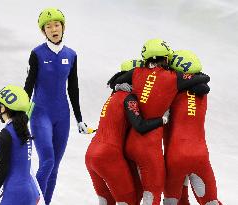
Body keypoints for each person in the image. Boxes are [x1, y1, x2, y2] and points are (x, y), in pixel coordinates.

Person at [109, 39, 210, 205]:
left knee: (132, 197)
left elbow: (115, 81)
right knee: (153, 196)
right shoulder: (171, 78)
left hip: (130, 144)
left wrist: (122, 86)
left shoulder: (137, 73)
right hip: (149, 147)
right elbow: (203, 82)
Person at [24, 8, 91, 204]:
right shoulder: (36, 53)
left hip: (62, 116)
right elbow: (28, 85)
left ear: (63, 27)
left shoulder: (71, 55)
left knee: (55, 167)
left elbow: (74, 88)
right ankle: (30, 201)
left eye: (57, 24)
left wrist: (79, 119)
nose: (54, 29)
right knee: (47, 161)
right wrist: (21, 114)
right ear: (43, 31)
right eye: (48, 26)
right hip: (40, 114)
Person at [85, 60, 170, 205]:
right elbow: (140, 125)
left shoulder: (113, 95)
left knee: (106, 201)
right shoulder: (129, 98)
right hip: (109, 154)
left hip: (91, 154)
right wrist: (163, 119)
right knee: (128, 201)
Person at [163, 50, 222, 205]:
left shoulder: (171, 90)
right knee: (211, 202)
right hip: (199, 154)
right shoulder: (202, 90)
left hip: (174, 156)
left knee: (173, 202)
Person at [0, 85, 40, 205]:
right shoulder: (24, 129)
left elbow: (3, 166)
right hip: (31, 191)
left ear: (5, 109)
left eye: (0, 106)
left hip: (15, 194)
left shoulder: (6, 133)